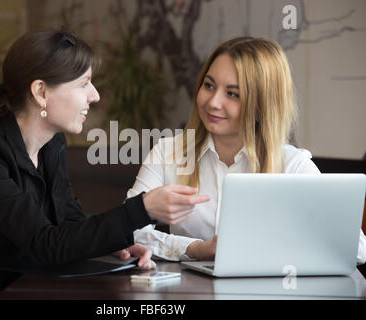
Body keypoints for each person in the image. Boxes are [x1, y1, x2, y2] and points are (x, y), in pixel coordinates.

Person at [0, 29, 210, 299]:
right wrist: (142, 209)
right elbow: (46, 245)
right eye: (84, 83)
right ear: (41, 92)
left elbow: (67, 222)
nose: (94, 96)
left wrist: (112, 241)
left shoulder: (51, 143)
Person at [127, 36, 366, 264]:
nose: (213, 102)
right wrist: (195, 248)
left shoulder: (292, 165)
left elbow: (357, 250)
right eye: (209, 85)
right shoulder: (168, 152)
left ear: (262, 104)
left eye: (233, 94)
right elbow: (128, 231)